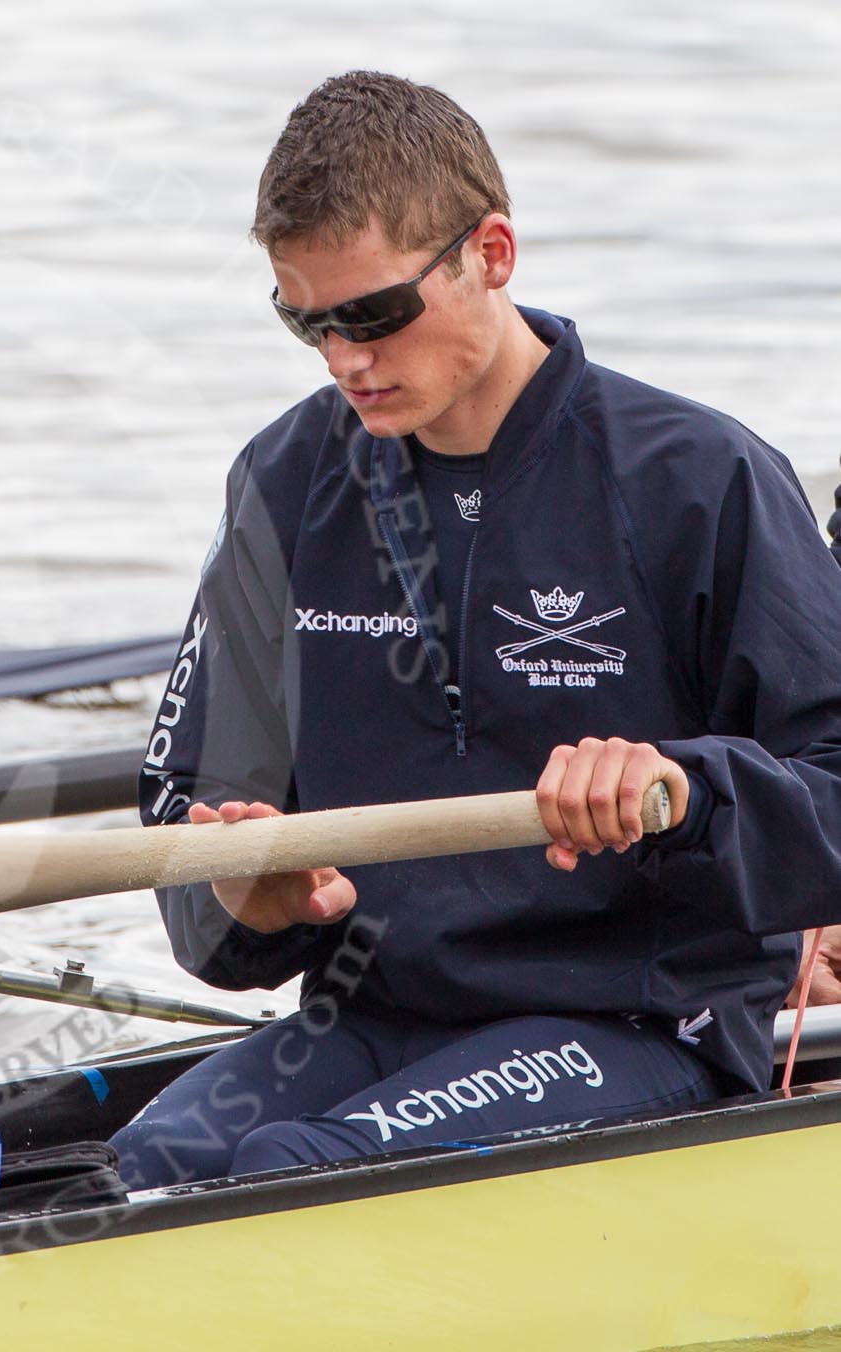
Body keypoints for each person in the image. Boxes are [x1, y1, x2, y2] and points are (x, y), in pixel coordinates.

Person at [110, 71, 841, 1188]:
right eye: (305, 320)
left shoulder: (702, 481)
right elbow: (181, 820)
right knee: (141, 1164)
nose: (343, 358)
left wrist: (683, 791)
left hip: (636, 1023)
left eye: (374, 313)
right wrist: (245, 905)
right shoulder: (285, 480)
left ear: (490, 253)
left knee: (292, 1171)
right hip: (374, 1015)